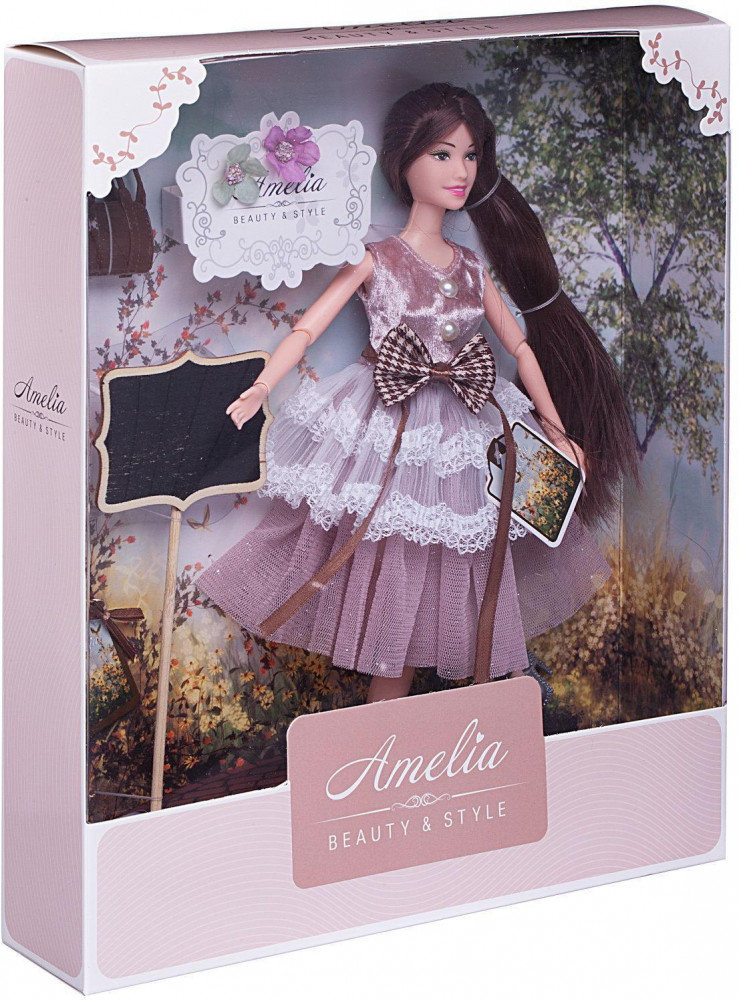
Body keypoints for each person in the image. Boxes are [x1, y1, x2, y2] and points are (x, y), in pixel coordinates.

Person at [196, 83, 637, 704]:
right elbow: (307, 327)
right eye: (443, 154)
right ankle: (387, 722)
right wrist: (262, 385)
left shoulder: (472, 267)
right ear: (404, 162)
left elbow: (521, 347)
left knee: (470, 560)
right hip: (393, 420)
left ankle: (470, 721)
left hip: (471, 424)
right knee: (392, 557)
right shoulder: (377, 258)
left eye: (471, 155)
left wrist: (557, 430)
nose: (461, 171)